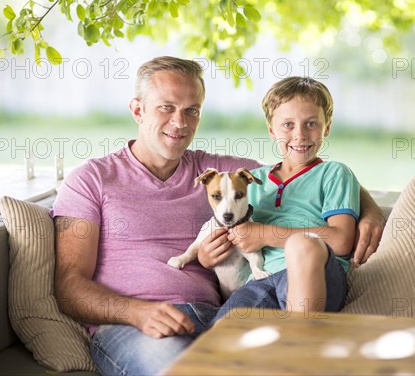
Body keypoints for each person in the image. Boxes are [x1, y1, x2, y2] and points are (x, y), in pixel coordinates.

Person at [52, 56, 385, 375]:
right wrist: (138, 312)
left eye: (191, 110)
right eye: (166, 107)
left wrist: (368, 211)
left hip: (216, 315)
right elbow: (69, 286)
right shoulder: (91, 180)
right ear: (138, 110)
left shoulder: (215, 173)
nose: (180, 122)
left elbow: (302, 172)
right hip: (137, 326)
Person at [212, 76, 361, 323]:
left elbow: (342, 240)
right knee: (219, 335)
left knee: (302, 245)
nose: (300, 135)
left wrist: (265, 234)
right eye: (288, 125)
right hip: (260, 280)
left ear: (327, 127)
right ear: (272, 130)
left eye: (311, 123)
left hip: (317, 275)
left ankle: (301, 348)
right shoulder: (250, 182)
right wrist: (207, 256)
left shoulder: (334, 173)